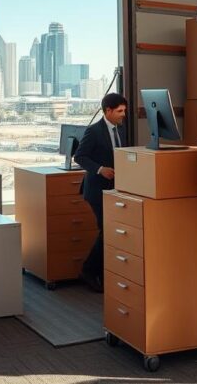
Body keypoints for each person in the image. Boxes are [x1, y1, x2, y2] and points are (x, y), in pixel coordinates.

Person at [73, 92, 128, 293]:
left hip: (115, 189)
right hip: (97, 190)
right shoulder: (94, 131)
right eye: (120, 111)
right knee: (108, 230)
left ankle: (101, 272)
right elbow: (79, 156)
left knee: (111, 231)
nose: (123, 114)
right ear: (108, 111)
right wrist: (100, 169)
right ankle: (88, 270)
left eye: (124, 110)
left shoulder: (121, 129)